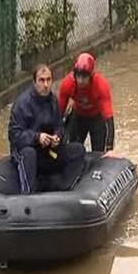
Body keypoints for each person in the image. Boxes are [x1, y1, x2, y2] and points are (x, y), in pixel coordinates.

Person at [8, 64, 85, 194]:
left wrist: (57, 137)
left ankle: (64, 188)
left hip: (47, 150)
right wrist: (37, 137)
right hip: (27, 150)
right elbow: (14, 135)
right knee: (29, 154)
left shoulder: (53, 100)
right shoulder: (22, 104)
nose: (46, 85)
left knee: (78, 150)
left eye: (48, 80)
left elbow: (59, 126)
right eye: (42, 80)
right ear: (34, 82)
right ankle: (28, 196)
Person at [58, 52, 115, 152]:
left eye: (84, 76)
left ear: (91, 75)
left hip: (97, 118)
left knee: (98, 153)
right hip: (78, 117)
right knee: (73, 150)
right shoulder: (67, 84)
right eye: (78, 75)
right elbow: (59, 112)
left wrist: (110, 146)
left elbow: (109, 119)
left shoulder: (101, 85)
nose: (80, 81)